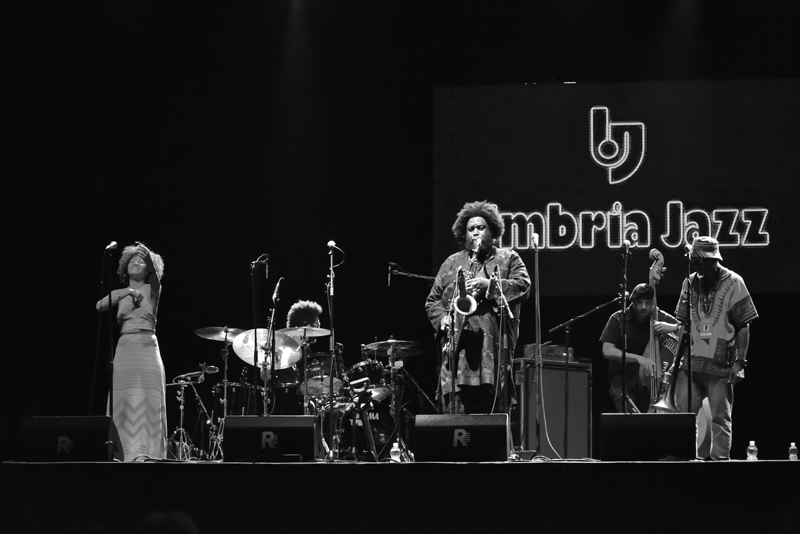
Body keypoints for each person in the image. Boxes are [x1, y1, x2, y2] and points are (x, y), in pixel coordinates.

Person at [425, 200, 530, 414]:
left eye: (481, 228)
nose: (476, 233)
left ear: (493, 231)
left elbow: (523, 286)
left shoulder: (509, 258)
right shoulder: (451, 263)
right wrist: (443, 318)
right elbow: (432, 301)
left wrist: (490, 286)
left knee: (491, 417)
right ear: (464, 235)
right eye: (471, 229)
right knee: (456, 420)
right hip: (458, 353)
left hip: (493, 352)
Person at [674, 236, 757, 460]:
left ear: (713, 260)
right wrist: (675, 361)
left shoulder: (734, 282)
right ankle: (685, 460)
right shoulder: (689, 282)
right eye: (693, 259)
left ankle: (720, 466)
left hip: (722, 364)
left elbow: (743, 325)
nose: (694, 263)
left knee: (721, 418)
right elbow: (682, 323)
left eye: (698, 260)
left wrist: (740, 362)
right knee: (683, 414)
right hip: (691, 363)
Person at [96, 243, 166, 461]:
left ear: (148, 269)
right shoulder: (120, 293)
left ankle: (149, 454)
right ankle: (120, 453)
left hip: (147, 346)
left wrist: (150, 264)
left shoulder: (153, 289)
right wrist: (126, 291)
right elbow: (99, 306)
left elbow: (156, 282)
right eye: (133, 260)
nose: (137, 262)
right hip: (125, 348)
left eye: (142, 261)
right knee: (123, 400)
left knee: (148, 400)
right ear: (125, 268)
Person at [600, 283, 679, 414]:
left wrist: (673, 328)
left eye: (648, 303)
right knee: (628, 422)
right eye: (640, 302)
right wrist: (639, 359)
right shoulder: (619, 319)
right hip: (623, 379)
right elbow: (607, 350)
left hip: (650, 382)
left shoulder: (659, 317)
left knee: (647, 425)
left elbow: (686, 330)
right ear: (633, 302)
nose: (643, 307)